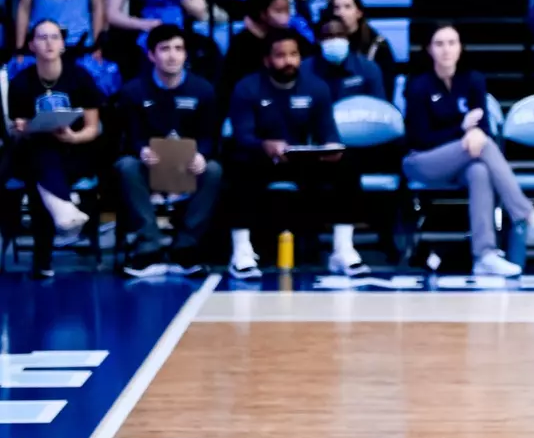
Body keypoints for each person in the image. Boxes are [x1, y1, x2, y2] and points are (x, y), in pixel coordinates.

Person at [402, 25, 534, 278]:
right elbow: (420, 139)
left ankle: (484, 255)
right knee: (481, 145)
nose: (446, 50)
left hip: (463, 161)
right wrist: (462, 131)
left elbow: (483, 126)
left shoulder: (473, 80)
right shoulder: (418, 86)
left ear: (461, 47)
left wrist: (472, 134)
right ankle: (528, 216)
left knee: (480, 171)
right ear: (429, 49)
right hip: (421, 161)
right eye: (439, 44)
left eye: (452, 42)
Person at [224, 29, 363, 279]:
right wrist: (264, 145)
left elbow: (328, 132)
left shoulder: (316, 87)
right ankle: (242, 252)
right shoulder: (247, 88)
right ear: (267, 60)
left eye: (294, 54)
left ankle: (343, 249)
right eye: (281, 55)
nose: (288, 61)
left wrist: (331, 149)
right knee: (237, 166)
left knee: (347, 164)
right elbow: (242, 136)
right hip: (261, 159)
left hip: (301, 160)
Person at [113, 23, 221, 277]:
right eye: (164, 49)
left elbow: (209, 135)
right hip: (148, 165)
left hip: (188, 165)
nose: (172, 55)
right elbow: (129, 135)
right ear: (151, 55)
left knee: (214, 170)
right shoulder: (133, 91)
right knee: (126, 166)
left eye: (178, 49)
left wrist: (201, 156)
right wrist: (141, 150)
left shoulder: (203, 90)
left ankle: (185, 247)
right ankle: (148, 247)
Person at [6, 20, 104, 278]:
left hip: (75, 151)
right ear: (31, 45)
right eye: (42, 37)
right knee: (40, 152)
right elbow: (15, 135)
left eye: (54, 37)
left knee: (40, 175)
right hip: (33, 152)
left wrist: (72, 137)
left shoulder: (80, 78)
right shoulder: (20, 84)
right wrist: (22, 129)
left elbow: (93, 128)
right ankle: (64, 207)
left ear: (62, 44)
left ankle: (43, 259)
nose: (49, 42)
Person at [222, 0, 312, 94]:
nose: (285, 16)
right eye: (279, 11)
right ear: (263, 14)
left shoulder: (294, 36)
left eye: (287, 10)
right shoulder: (242, 42)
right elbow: (230, 81)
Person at [300, 18, 386, 103]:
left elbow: (379, 108)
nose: (335, 40)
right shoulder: (305, 70)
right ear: (318, 40)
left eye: (340, 35)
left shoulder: (368, 69)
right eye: (328, 36)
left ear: (347, 38)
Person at [324, 0, 397, 88]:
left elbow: (386, 87)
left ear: (359, 13)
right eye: (336, 8)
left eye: (347, 7)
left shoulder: (378, 45)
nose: (341, 13)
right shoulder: (326, 43)